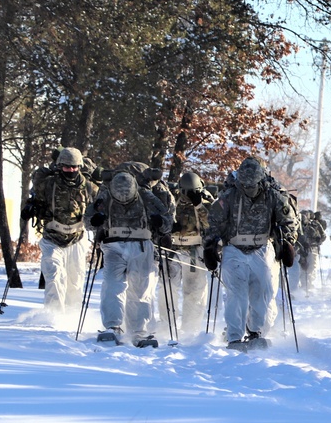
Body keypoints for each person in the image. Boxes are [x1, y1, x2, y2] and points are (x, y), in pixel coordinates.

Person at [201, 157, 299, 351]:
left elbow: (288, 221)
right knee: (236, 294)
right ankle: (235, 336)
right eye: (245, 184)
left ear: (260, 180)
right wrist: (210, 245)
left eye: (252, 184)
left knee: (262, 291)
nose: (249, 188)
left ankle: (255, 331)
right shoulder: (228, 197)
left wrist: (287, 242)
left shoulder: (273, 196)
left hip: (261, 247)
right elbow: (214, 222)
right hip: (234, 248)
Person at [90, 171, 173, 347]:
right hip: (113, 244)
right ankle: (113, 326)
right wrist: (95, 220)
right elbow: (88, 218)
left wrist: (160, 222)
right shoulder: (105, 196)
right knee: (113, 284)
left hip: (141, 244)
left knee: (141, 287)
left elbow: (167, 220)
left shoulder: (146, 196)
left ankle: (139, 330)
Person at [21, 147, 95, 324]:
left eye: (74, 167)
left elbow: (101, 203)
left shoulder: (88, 186)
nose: (70, 171)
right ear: (59, 166)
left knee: (75, 282)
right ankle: (53, 318)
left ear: (79, 166)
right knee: (54, 276)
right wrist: (30, 208)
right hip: (52, 238)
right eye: (66, 167)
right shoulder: (49, 183)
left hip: (77, 238)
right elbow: (36, 197)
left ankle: (73, 318)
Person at [160, 172, 214, 337]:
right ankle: (166, 325)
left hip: (195, 251)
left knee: (195, 292)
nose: (188, 196)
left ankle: (190, 329)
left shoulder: (206, 204)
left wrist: (199, 205)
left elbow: (211, 223)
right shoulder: (172, 201)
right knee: (167, 288)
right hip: (174, 250)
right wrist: (169, 227)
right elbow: (162, 218)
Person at [296, 210, 327, 293]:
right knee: (301, 268)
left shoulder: (315, 224)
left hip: (312, 249)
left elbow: (323, 236)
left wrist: (318, 240)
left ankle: (309, 287)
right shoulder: (297, 225)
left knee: (311, 269)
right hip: (300, 249)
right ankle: (302, 287)